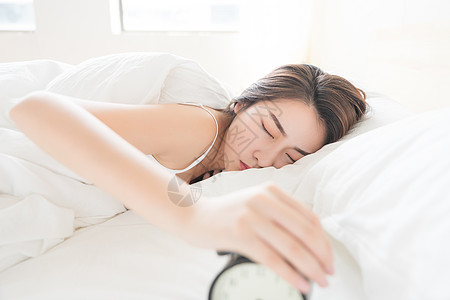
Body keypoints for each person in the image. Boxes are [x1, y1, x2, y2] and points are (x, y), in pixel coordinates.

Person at [9, 64, 366, 293]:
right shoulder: (202, 128)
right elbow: (33, 108)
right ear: (241, 105)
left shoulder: (225, 168)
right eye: (267, 129)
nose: (264, 158)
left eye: (290, 157)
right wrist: (193, 215)